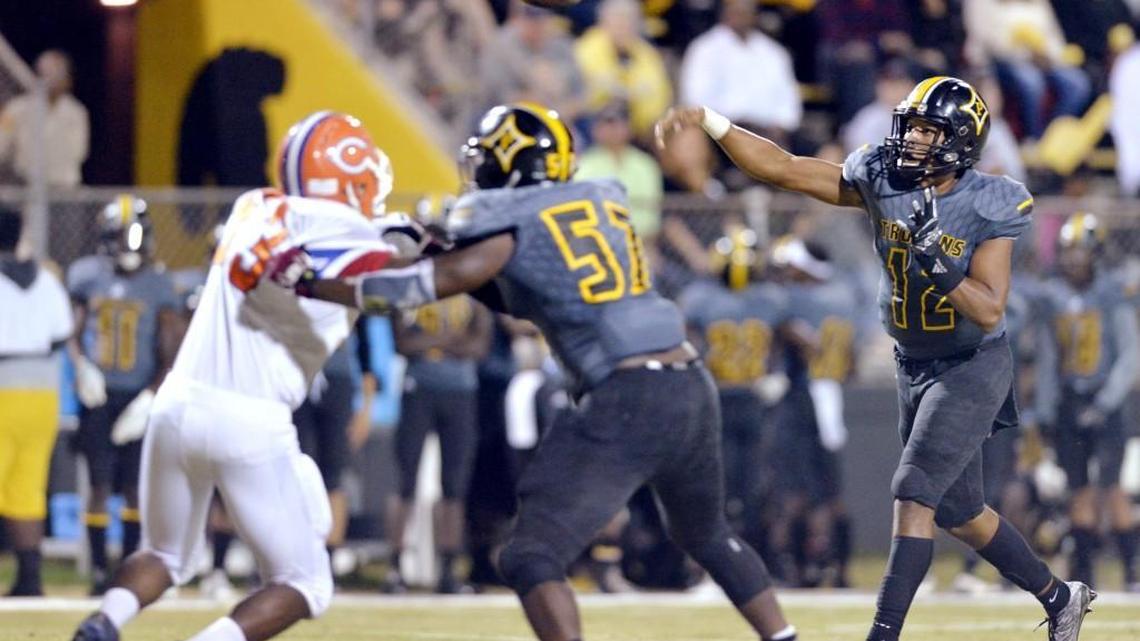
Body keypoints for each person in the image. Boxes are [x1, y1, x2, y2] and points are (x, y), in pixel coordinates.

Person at [268, 102, 797, 641]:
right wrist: (433, 243)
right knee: (708, 536)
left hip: (627, 393)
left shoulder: (508, 221)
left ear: (512, 163)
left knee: (530, 555)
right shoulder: (599, 200)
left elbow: (427, 285)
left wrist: (312, 282)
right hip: (688, 384)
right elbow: (515, 290)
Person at [655, 75, 1094, 641]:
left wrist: (939, 262)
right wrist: (713, 123)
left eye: (928, 131)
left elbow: (988, 310)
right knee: (960, 512)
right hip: (913, 362)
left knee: (913, 491)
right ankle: (1061, 597)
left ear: (960, 139)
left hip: (971, 362)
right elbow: (783, 167)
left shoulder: (990, 200)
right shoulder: (885, 177)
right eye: (911, 127)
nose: (911, 139)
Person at [69, 111, 399, 641]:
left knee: (164, 554)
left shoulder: (254, 205)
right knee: (307, 583)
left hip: (176, 404)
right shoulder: (360, 238)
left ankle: (103, 622)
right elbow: (395, 266)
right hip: (250, 418)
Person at [67, 195, 182, 595]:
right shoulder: (88, 275)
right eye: (121, 236)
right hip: (98, 395)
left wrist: (150, 395)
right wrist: (81, 367)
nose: (128, 246)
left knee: (135, 488)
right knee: (98, 485)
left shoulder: (159, 284)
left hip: (137, 395)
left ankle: (128, 571)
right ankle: (100, 571)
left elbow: (171, 349)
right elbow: (73, 332)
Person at [1035, 212, 1139, 591]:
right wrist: (1045, 409)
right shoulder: (1054, 296)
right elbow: (1048, 358)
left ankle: (1131, 572)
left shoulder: (1112, 292)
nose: (1072, 259)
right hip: (1070, 400)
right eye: (1067, 251)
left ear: (1096, 253)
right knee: (1077, 489)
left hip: (1107, 401)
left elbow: (1130, 354)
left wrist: (1106, 402)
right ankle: (1084, 577)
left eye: (1079, 251)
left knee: (1111, 487)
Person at [385, 294, 492, 594]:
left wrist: (430, 342)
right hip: (418, 389)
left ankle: (448, 569)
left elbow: (479, 347)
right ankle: (395, 568)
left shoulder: (473, 292)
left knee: (454, 484)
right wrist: (451, 339)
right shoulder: (411, 290)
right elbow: (402, 344)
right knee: (405, 479)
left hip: (460, 391)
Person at [768, 236, 858, 589]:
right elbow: (851, 362)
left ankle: (798, 568)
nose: (786, 273)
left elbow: (789, 331)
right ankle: (840, 569)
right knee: (831, 490)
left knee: (797, 490)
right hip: (832, 396)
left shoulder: (796, 299)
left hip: (804, 396)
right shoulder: (845, 295)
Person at [0, 207, 73, 596]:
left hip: (3, 385)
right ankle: (30, 579)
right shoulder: (46, 280)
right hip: (43, 391)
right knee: (27, 485)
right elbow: (61, 336)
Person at [0, 49, 89, 186]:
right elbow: (2, 143)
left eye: (57, 74)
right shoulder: (16, 109)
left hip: (64, 188)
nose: (52, 80)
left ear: (67, 80)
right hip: (26, 187)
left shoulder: (76, 112)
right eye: (46, 74)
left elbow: (80, 152)